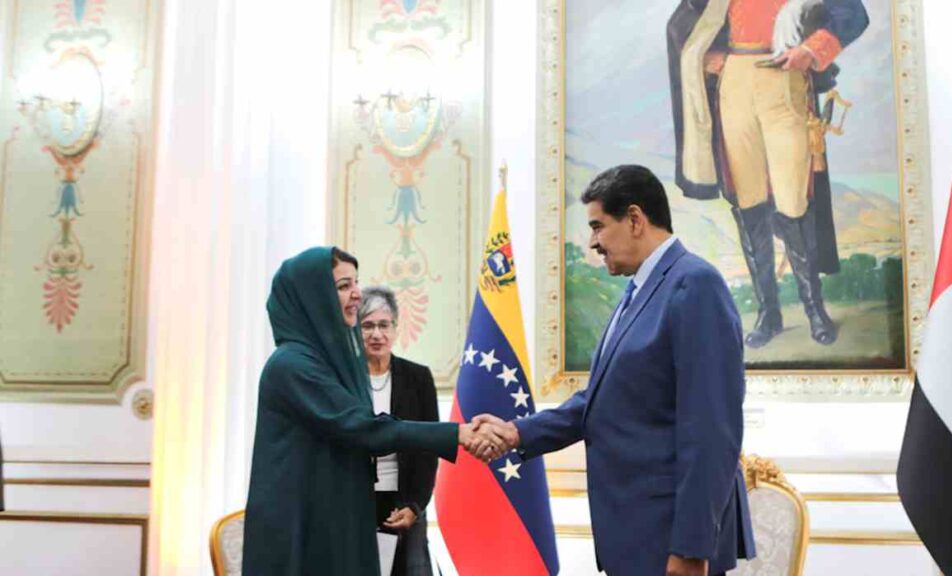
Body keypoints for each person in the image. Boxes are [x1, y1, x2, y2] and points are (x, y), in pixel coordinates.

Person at [475, 165, 754, 576]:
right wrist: (518, 432)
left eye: (598, 226)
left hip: (671, 542)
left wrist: (692, 547)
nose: (593, 242)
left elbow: (712, 427)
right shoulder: (638, 291)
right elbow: (602, 400)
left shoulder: (694, 284)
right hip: (637, 536)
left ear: (635, 219)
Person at [242, 247, 505, 576]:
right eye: (343, 286)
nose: (357, 294)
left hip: (329, 519)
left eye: (356, 282)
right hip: (300, 528)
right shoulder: (292, 365)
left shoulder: (325, 361)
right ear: (312, 298)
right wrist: (458, 433)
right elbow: (361, 427)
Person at [667, 0, 869, 348]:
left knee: (794, 202)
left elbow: (852, 11)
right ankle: (769, 314)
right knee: (748, 201)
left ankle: (814, 310)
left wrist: (810, 50)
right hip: (735, 85)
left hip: (786, 80)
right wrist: (705, 55)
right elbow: (684, 21)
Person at [359, 286, 439, 576]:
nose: (376, 334)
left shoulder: (418, 378)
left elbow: (429, 448)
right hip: (354, 501)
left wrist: (415, 506)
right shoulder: (345, 379)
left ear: (395, 328)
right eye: (367, 326)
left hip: (405, 501)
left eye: (383, 325)